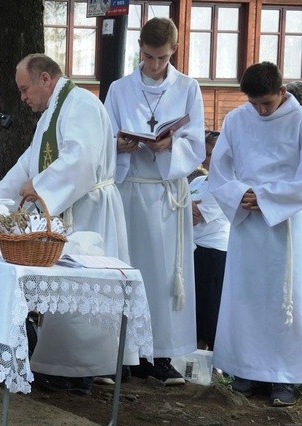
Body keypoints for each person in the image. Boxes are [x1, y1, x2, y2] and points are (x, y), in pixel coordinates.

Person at [0, 53, 130, 394]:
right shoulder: (54, 111)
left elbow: (80, 159)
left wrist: (41, 187)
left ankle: (83, 370)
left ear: (45, 80)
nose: (23, 98)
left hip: (90, 210)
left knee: (84, 292)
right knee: (68, 296)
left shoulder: (79, 104)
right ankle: (66, 368)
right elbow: (29, 163)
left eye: (25, 89)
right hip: (73, 208)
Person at [104, 17, 206, 385]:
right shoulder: (119, 88)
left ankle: (161, 354)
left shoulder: (189, 88)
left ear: (173, 51)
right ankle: (128, 353)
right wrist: (119, 144)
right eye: (148, 57)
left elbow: (196, 144)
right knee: (129, 270)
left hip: (165, 196)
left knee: (164, 275)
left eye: (162, 58)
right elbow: (106, 134)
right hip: (130, 186)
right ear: (139, 49)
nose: (154, 65)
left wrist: (170, 145)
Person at [209, 61, 302, 406]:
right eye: (254, 103)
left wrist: (266, 198)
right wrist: (239, 195)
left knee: (286, 297)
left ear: (282, 92)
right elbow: (219, 170)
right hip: (247, 222)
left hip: (286, 223)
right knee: (246, 295)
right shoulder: (237, 119)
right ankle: (245, 370)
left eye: (267, 102)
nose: (261, 110)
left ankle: (285, 378)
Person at [189, 130, 229, 351]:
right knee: (197, 307)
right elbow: (179, 210)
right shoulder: (200, 180)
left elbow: (195, 218)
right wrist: (186, 207)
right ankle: (197, 353)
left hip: (213, 251)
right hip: (194, 249)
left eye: (211, 153)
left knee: (211, 307)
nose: (206, 159)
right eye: (205, 153)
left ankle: (217, 357)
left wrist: (186, 206)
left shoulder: (225, 185)